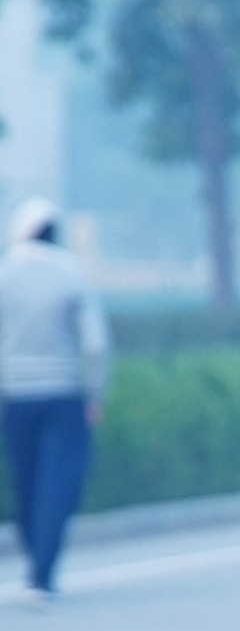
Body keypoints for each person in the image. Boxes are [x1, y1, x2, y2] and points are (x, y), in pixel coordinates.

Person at [1, 197, 108, 603]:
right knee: (57, 484)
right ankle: (42, 572)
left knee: (26, 481)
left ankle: (35, 559)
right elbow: (96, 344)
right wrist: (94, 392)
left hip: (15, 396)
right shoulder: (71, 274)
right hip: (63, 394)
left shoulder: (4, 273)